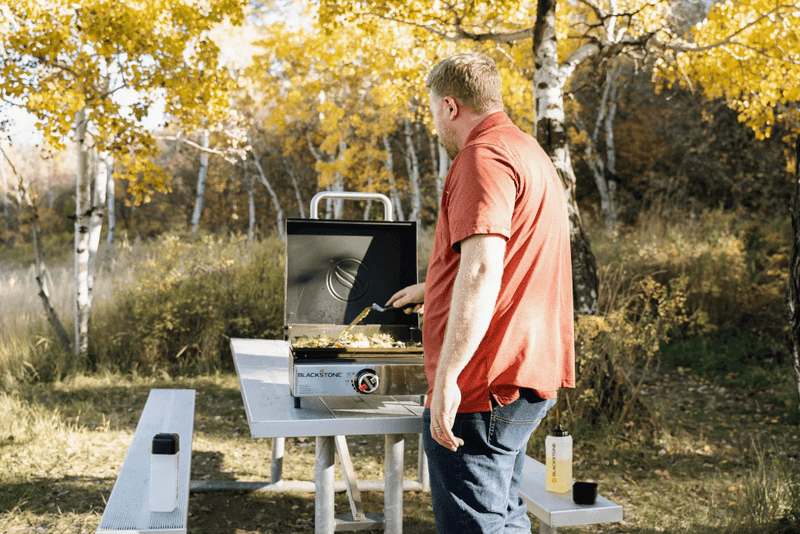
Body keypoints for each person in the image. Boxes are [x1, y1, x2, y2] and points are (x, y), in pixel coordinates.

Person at [386, 52, 575, 534]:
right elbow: (514, 257)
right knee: (504, 516)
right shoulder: (527, 150)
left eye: (432, 113)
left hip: (484, 382)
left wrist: (448, 377)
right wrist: (435, 285)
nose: (435, 126)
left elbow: (484, 267)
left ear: (450, 106)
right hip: (524, 371)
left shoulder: (481, 156)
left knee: (478, 525)